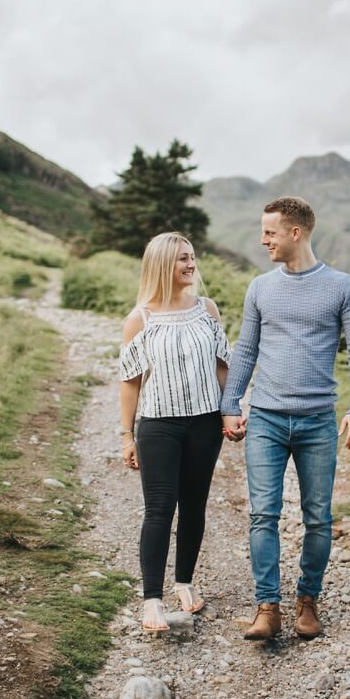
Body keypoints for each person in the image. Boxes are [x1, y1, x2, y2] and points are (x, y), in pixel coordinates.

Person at [220, 196, 350, 641]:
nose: (263, 239)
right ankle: (267, 606)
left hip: (317, 421)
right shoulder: (260, 288)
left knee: (318, 518)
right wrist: (232, 405)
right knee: (263, 515)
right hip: (266, 419)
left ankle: (308, 600)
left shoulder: (343, 287)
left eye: (269, 232)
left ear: (295, 232)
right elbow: (244, 350)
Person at [119, 232, 231, 633]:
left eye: (192, 257)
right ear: (163, 264)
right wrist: (126, 436)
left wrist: (229, 410)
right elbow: (130, 381)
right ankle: (152, 601)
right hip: (159, 425)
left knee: (195, 505)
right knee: (159, 509)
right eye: (182, 258)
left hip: (205, 421)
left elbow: (223, 365)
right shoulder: (141, 318)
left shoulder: (207, 309)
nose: (191, 264)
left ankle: (183, 582)